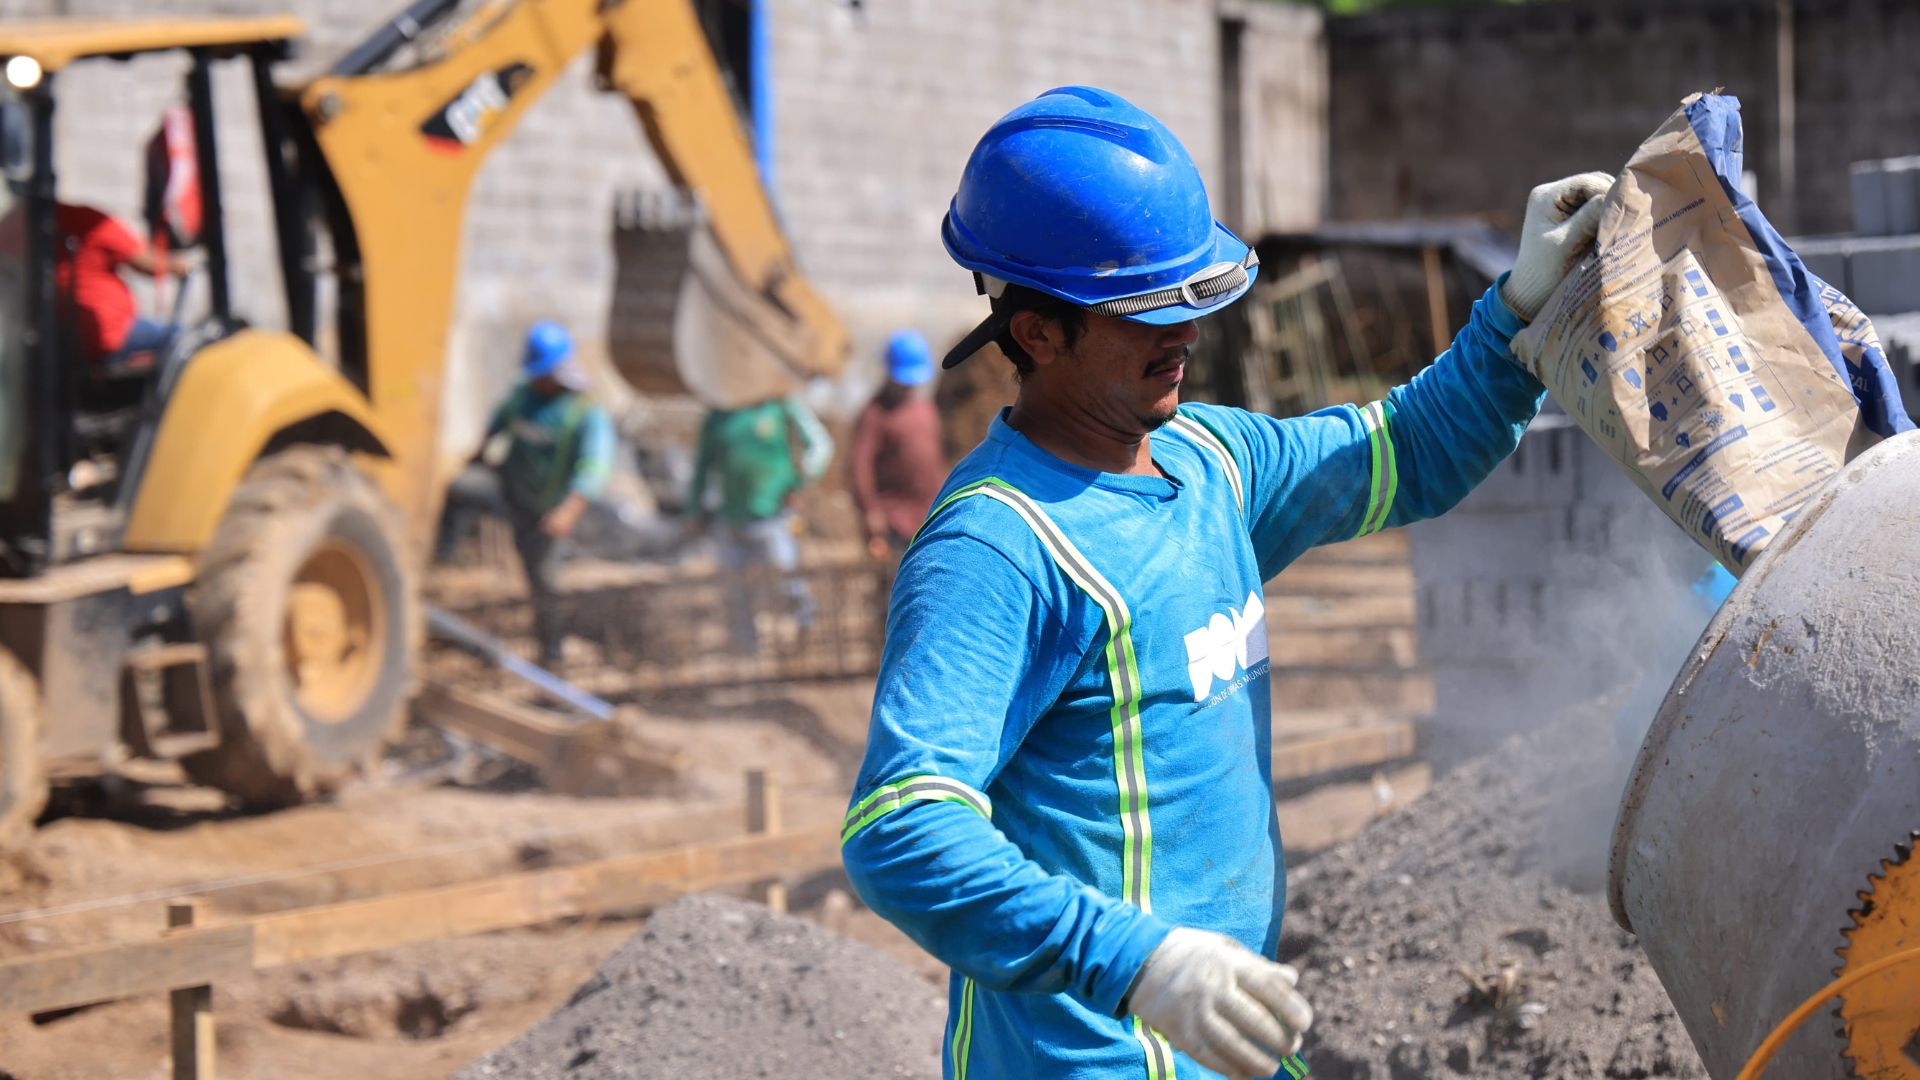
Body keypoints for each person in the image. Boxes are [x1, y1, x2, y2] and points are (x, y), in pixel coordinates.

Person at [839, 85, 1609, 1080]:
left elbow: (1408, 450)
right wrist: (1136, 960)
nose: (1187, 330)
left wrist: (1517, 310)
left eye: (1192, 296)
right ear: (1036, 334)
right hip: (1098, 1057)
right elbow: (900, 825)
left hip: (1223, 1038)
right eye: (1148, 309)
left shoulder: (1211, 464)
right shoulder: (997, 550)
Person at [436, 321, 614, 667]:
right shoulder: (524, 395)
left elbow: (593, 471)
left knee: (544, 582)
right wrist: (479, 453)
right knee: (461, 487)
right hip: (509, 493)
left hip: (546, 512)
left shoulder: (584, 414)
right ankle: (445, 557)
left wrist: (567, 512)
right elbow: (498, 422)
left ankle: (552, 652)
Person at [685, 392, 832, 654]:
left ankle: (804, 632)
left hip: (774, 517)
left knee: (786, 578)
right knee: (734, 590)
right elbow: (702, 467)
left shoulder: (780, 406)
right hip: (730, 518)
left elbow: (820, 447)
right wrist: (694, 510)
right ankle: (745, 651)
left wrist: (800, 483)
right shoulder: (718, 417)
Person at [52, 201, 193, 369]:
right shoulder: (93, 222)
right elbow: (147, 264)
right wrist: (178, 265)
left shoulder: (35, 224)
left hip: (64, 337)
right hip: (109, 333)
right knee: (185, 339)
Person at [849, 329, 946, 558]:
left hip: (926, 514)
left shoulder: (925, 409)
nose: (908, 387)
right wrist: (870, 511)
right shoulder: (875, 414)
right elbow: (859, 467)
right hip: (893, 520)